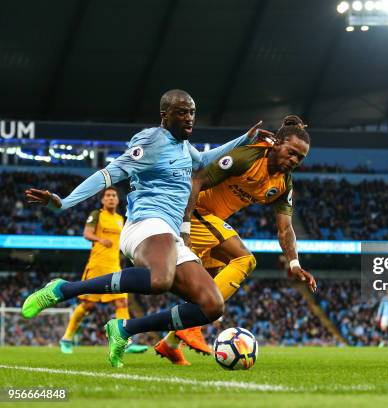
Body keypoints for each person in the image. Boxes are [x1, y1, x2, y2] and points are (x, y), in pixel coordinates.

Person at [22, 89, 265, 368]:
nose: (189, 118)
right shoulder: (153, 141)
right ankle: (63, 289)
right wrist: (63, 203)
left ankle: (124, 329)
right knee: (160, 279)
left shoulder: (184, 147)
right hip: (146, 222)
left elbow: (205, 160)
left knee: (211, 305)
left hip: (169, 234)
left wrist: (244, 140)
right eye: (182, 112)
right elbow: (109, 173)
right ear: (165, 115)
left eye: (192, 112)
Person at [153, 115, 317, 365]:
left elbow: (285, 228)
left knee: (207, 284)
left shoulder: (283, 183)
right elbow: (196, 180)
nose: (294, 160)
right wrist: (185, 227)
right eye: (291, 152)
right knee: (244, 260)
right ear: (277, 143)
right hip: (192, 211)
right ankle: (191, 325)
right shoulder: (248, 157)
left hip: (209, 220)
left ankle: (170, 343)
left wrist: (294, 264)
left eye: (300, 158)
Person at [59, 186, 146, 354]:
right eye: (108, 196)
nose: (111, 198)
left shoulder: (121, 219)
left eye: (114, 195)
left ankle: (124, 342)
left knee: (122, 302)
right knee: (88, 305)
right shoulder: (96, 214)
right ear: (102, 200)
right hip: (97, 265)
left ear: (118, 199)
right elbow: (86, 233)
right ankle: (67, 338)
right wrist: (101, 239)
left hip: (114, 266)